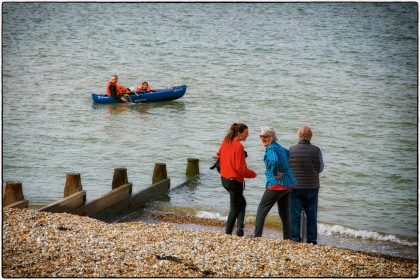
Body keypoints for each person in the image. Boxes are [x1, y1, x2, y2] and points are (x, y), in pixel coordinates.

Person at [254, 127, 296, 239]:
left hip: (276, 184)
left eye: (266, 136)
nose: (263, 138)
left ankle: (257, 236)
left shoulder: (271, 149)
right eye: (261, 136)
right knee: (284, 212)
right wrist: (284, 168)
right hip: (288, 185)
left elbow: (274, 160)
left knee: (262, 209)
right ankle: (288, 238)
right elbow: (288, 154)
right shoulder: (279, 147)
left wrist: (275, 172)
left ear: (272, 137)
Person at [216, 123, 257, 237]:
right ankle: (228, 233)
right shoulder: (238, 146)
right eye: (246, 133)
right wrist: (253, 174)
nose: (247, 136)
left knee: (241, 203)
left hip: (224, 180)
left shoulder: (226, 141)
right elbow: (241, 169)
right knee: (235, 207)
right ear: (239, 133)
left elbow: (219, 154)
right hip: (234, 182)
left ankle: (240, 229)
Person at [289, 125, 324, 245]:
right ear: (311, 136)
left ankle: (295, 239)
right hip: (312, 187)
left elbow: (288, 168)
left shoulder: (291, 150)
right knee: (312, 215)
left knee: (295, 215)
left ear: (298, 136)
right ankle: (312, 240)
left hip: (295, 187)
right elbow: (321, 168)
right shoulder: (316, 150)